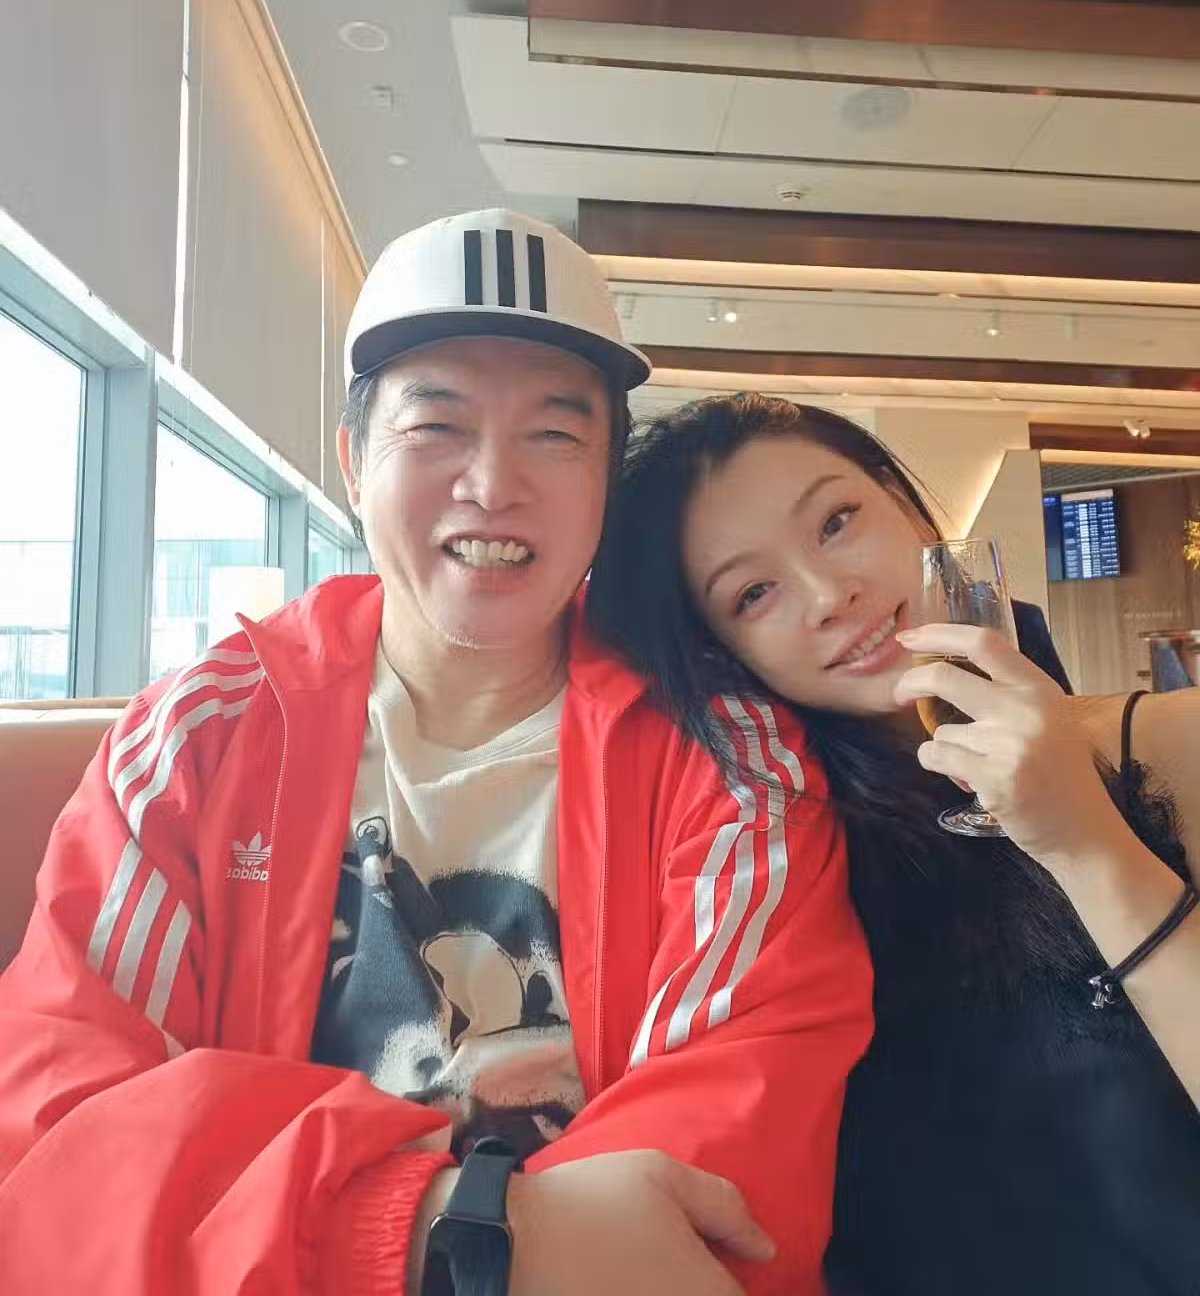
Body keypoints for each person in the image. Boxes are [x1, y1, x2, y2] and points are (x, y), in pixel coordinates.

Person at [0, 216, 871, 1296]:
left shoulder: (727, 763)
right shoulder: (198, 740)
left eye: (555, 434)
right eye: (437, 425)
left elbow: (726, 1189)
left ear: (607, 481)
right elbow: (59, 1132)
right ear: (354, 461)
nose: (493, 483)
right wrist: (440, 1231)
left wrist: (266, 1199)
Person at [586, 392, 1200, 1296]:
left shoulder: (1169, 743)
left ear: (907, 506)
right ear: (721, 653)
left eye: (837, 522)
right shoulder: (773, 866)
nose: (829, 595)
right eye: (753, 594)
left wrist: (1086, 840)